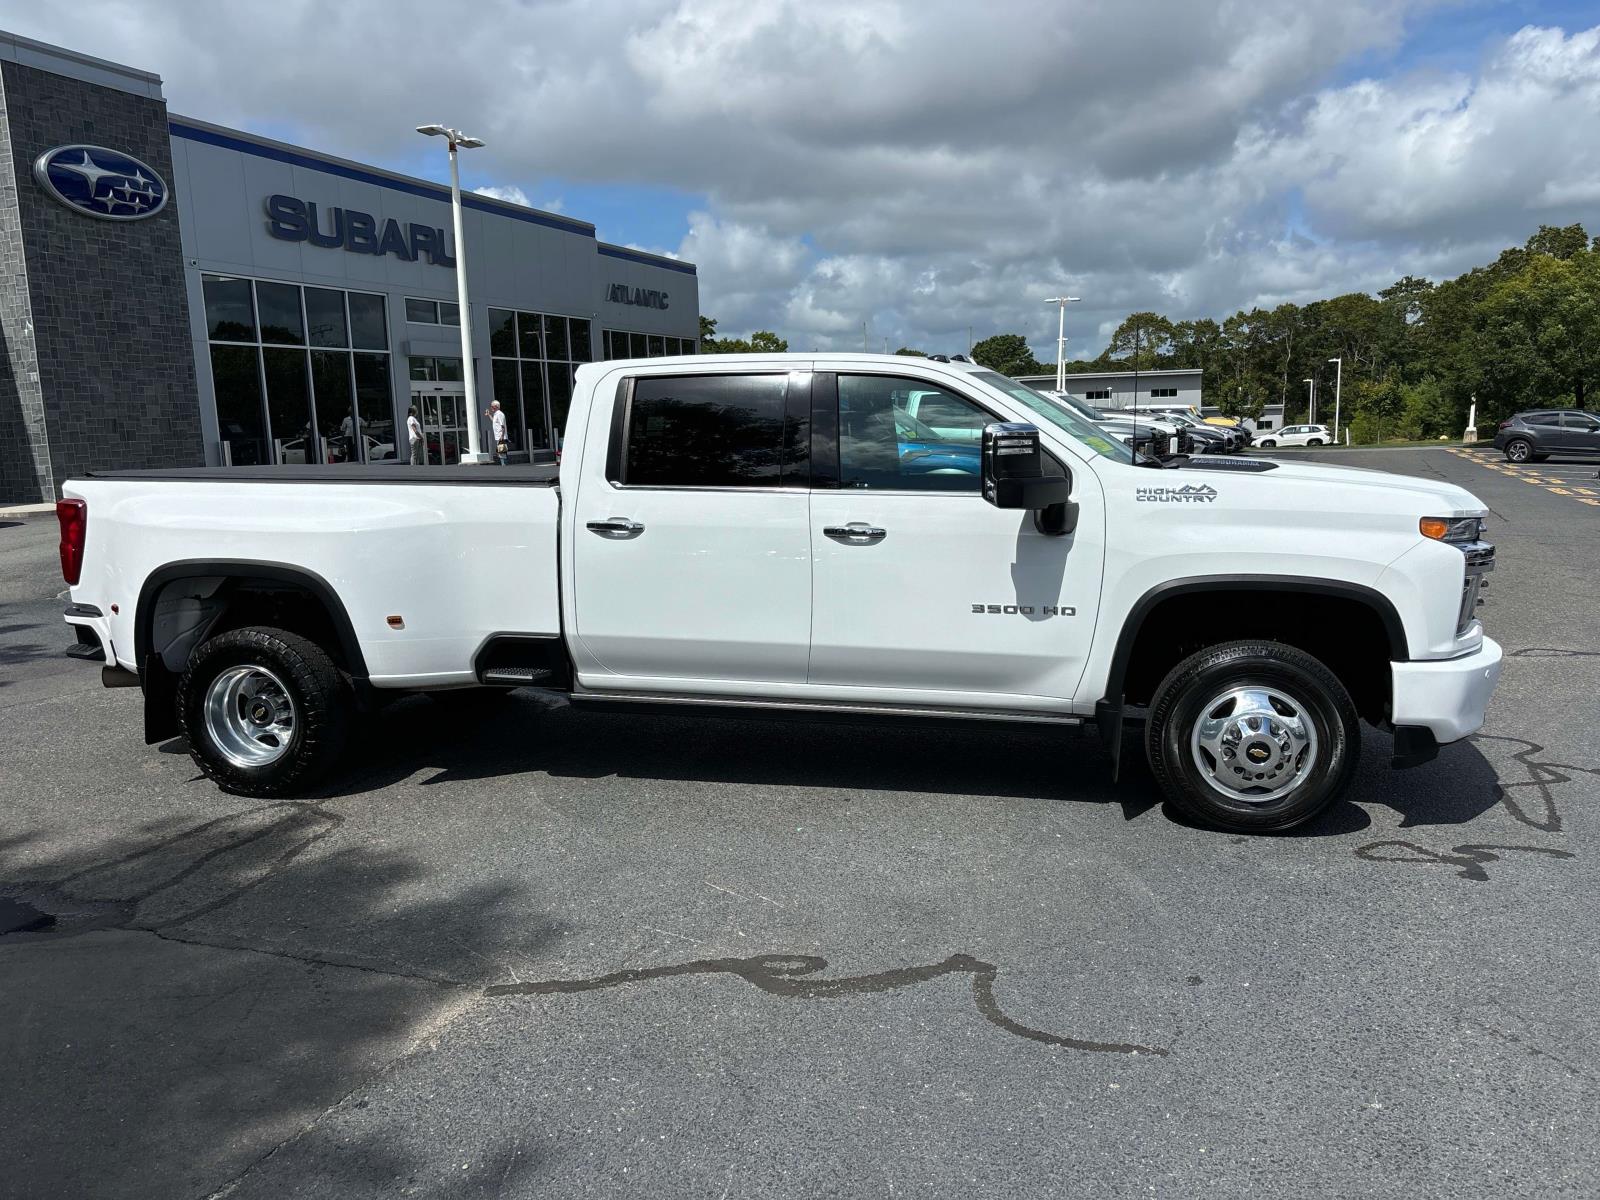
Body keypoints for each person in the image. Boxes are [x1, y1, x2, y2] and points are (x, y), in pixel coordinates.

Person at [487, 399, 509, 466]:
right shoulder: (496, 414)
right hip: (498, 436)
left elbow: (502, 426)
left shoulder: (499, 414)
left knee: (502, 451)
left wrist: (502, 436)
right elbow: (494, 421)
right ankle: (503, 465)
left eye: (492, 406)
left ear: (496, 406)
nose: (491, 407)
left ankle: (504, 466)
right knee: (501, 451)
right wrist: (489, 415)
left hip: (501, 436)